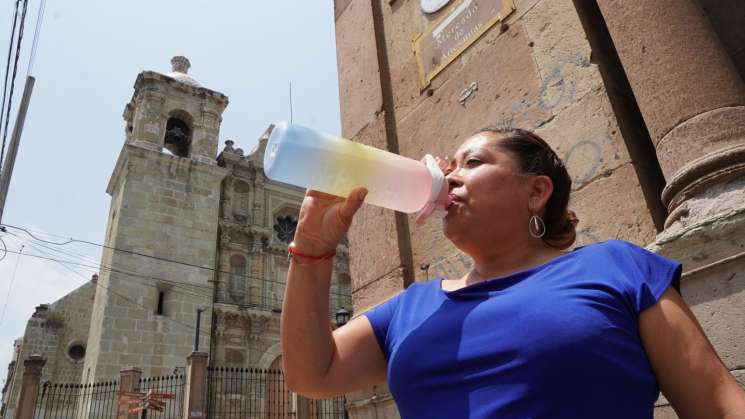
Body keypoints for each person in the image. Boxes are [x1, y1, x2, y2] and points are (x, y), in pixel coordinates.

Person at [280, 127, 745, 418]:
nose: (450, 176)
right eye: (450, 167)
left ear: (537, 191)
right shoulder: (410, 306)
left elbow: (718, 404)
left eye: (473, 163)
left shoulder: (618, 267)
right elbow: (311, 375)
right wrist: (313, 250)